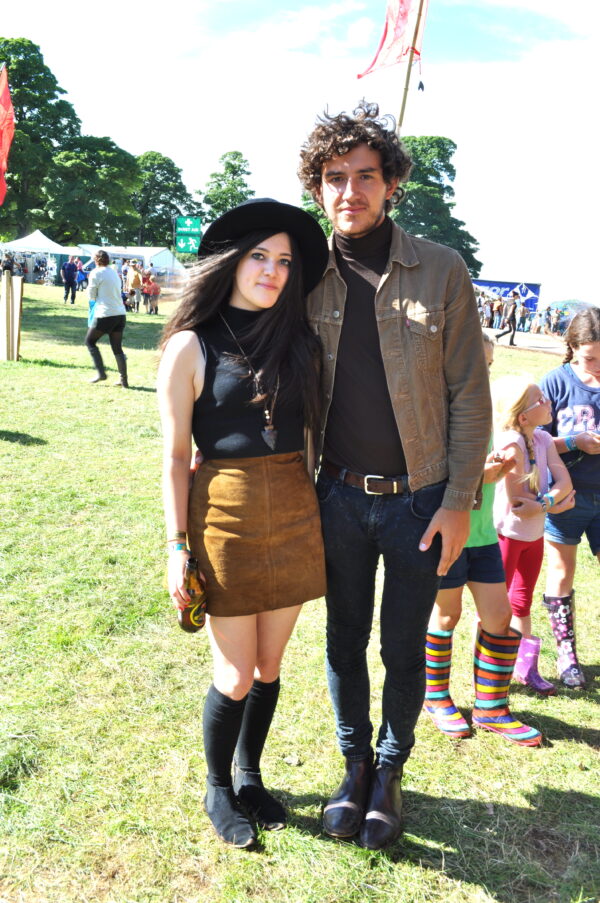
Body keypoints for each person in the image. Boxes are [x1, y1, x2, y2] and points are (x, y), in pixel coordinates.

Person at [298, 101, 491, 850]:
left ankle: (390, 771)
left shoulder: (441, 269)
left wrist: (458, 501)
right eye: (334, 177)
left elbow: (470, 394)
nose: (349, 190)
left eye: (365, 176)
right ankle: (353, 766)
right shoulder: (302, 272)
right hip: (336, 496)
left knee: (403, 647)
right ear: (318, 187)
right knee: (343, 639)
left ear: (391, 184)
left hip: (421, 501)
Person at [156, 198, 329, 849]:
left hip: (294, 512)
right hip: (223, 516)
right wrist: (177, 546)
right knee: (234, 673)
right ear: (232, 261)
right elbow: (175, 457)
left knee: (269, 665)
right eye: (260, 256)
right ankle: (217, 788)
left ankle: (250, 776)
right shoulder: (190, 345)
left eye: (284, 261)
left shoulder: (301, 341)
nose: (272, 271)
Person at [424, 333, 543, 745]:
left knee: (499, 617)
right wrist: (483, 476)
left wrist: (495, 467)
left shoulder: (483, 413)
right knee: (446, 616)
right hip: (449, 532)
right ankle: (436, 698)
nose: (482, 373)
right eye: (476, 363)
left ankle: (491, 708)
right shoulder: (436, 412)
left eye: (488, 365)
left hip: (483, 536)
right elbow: (433, 478)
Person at [492, 374, 574, 692]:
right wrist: (552, 504)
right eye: (541, 400)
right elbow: (518, 503)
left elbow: (564, 482)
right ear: (523, 416)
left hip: (533, 536)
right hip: (506, 536)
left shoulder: (542, 438)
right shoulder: (511, 442)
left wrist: (545, 503)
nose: (549, 401)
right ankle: (489, 673)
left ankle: (524, 668)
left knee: (522, 602)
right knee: (494, 607)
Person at [540, 307, 600, 688]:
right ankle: (567, 656)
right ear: (573, 347)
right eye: (591, 358)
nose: (597, 366)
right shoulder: (555, 383)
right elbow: (535, 440)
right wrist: (575, 442)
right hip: (567, 498)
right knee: (562, 573)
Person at [85, 249, 129, 387]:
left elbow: (91, 295)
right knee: (117, 347)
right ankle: (124, 380)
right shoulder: (114, 272)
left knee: (90, 341)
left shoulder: (96, 272)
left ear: (96, 260)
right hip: (120, 314)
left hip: (105, 314)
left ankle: (101, 373)